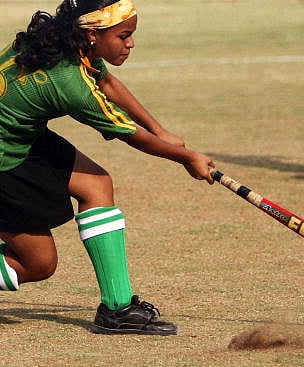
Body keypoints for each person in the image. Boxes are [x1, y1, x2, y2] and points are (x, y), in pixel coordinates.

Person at [0, 0, 215, 335]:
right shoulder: (71, 84)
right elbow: (131, 136)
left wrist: (161, 131)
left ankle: (118, 307)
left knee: (97, 185)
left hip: (20, 137)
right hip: (5, 157)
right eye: (124, 35)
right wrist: (187, 158)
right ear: (91, 34)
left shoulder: (57, 41)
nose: (130, 43)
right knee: (38, 264)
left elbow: (108, 83)